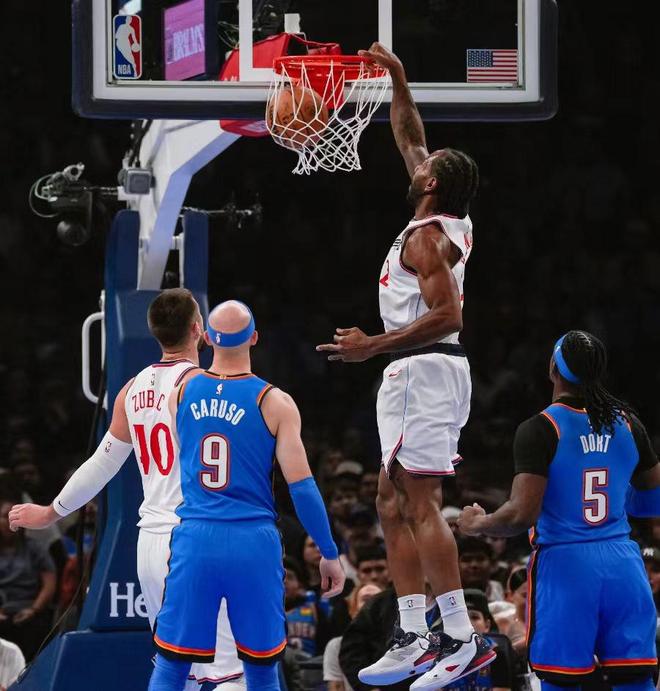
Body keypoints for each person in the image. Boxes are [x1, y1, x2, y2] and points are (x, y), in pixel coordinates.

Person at [317, 42, 490, 690]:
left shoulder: (428, 239)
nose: (419, 158)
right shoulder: (438, 212)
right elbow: (410, 134)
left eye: (428, 164)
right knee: (390, 502)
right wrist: (397, 77)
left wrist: (373, 345)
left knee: (420, 503)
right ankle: (414, 632)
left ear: (432, 184)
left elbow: (449, 316)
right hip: (414, 372)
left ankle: (461, 637)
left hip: (425, 368)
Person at [8, 288, 244, 690]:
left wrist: (50, 511)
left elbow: (101, 464)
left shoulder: (132, 390)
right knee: (231, 671)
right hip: (194, 537)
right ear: (198, 329)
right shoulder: (207, 387)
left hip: (150, 544)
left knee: (178, 670)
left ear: (155, 334)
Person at [147, 300, 345, 691]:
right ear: (254, 338)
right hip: (252, 542)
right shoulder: (274, 401)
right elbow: (302, 487)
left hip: (196, 538)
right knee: (261, 668)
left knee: (172, 665)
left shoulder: (180, 392)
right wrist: (328, 551)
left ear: (207, 338)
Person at [458, 330, 660, 691]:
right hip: (623, 565)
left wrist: (477, 524)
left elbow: (520, 516)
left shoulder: (541, 428)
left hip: (567, 566)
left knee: (560, 681)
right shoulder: (629, 422)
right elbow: (652, 500)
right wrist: (618, 497)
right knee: (635, 677)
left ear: (554, 367)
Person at [0, 499, 56, 661]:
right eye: (5, 516)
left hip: (30, 609)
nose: (10, 521)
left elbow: (49, 582)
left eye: (14, 515)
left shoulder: (35, 548)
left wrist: (34, 609)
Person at [324, 583, 383, 691]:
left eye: (378, 599)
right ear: (353, 610)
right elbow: (336, 687)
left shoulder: (402, 643)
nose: (373, 603)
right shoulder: (337, 645)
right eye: (366, 599)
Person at [457, 538, 505, 602]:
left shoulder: (502, 591)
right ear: (455, 565)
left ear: (492, 563)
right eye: (467, 560)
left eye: (480, 559)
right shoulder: (448, 592)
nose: (474, 565)